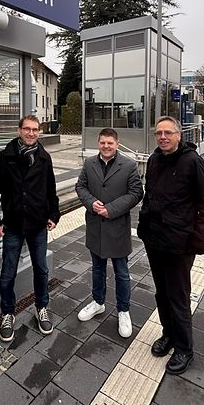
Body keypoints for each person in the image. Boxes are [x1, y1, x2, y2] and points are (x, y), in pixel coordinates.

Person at [138, 116, 204, 375]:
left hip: (179, 243)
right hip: (155, 239)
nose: (162, 137)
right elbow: (150, 195)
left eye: (168, 133)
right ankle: (169, 334)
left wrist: (200, 238)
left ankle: (185, 348)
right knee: (161, 293)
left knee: (178, 296)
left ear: (179, 135)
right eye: (159, 133)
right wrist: (144, 223)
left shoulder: (193, 162)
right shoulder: (154, 160)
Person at [0, 115, 60, 343]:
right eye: (27, 129)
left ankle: (42, 307)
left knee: (41, 269)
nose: (31, 133)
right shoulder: (5, 157)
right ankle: (8, 313)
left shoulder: (44, 158)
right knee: (7, 273)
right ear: (19, 131)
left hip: (38, 224)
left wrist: (53, 214)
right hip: (13, 225)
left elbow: (51, 190)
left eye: (35, 130)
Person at [75, 128, 144, 337]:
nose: (106, 146)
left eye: (110, 143)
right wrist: (91, 202)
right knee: (97, 269)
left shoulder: (129, 165)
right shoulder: (89, 163)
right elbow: (81, 187)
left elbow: (136, 193)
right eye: (103, 143)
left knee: (122, 272)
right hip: (96, 227)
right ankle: (98, 302)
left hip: (117, 228)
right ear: (98, 143)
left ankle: (123, 310)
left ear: (117, 143)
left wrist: (110, 209)